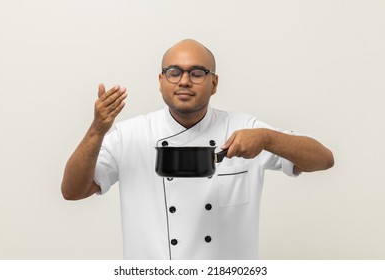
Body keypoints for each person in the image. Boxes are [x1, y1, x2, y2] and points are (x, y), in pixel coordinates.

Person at [61, 39, 334, 260]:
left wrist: (267, 138)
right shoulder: (130, 135)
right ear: (161, 81)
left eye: (197, 72)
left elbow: (323, 160)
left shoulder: (245, 129)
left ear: (214, 83)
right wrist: (97, 129)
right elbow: (72, 191)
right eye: (174, 72)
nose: (184, 80)